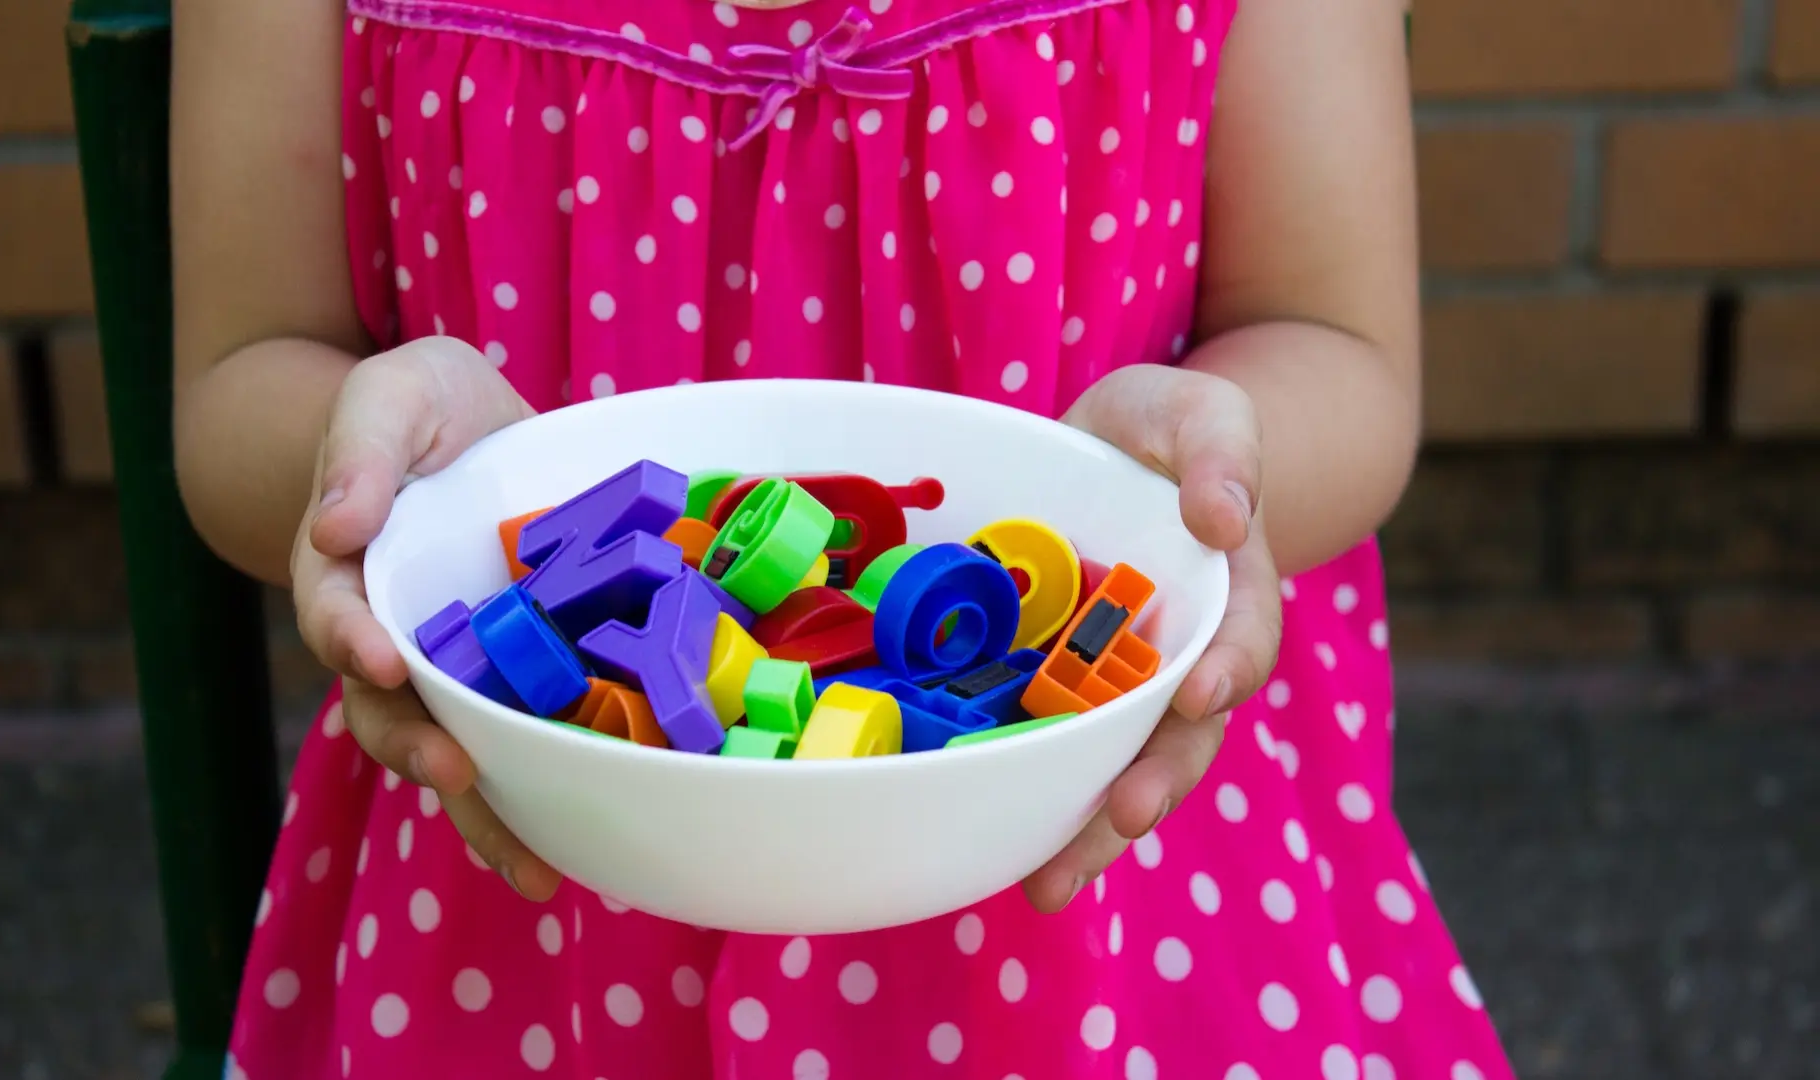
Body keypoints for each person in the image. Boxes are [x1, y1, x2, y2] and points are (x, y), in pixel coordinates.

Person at [174, 0, 1513, 1075]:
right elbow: (243, 376)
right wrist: (396, 489)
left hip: (1109, 858)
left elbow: (1340, 352)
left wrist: (1211, 493)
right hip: (528, 840)